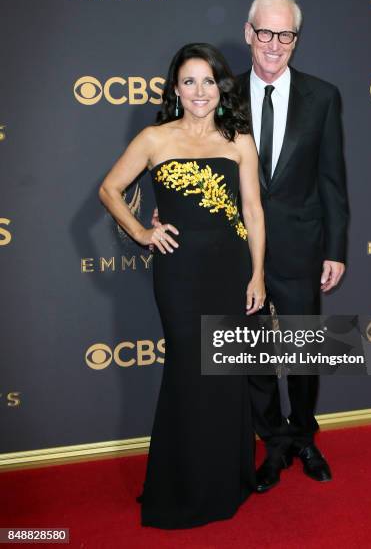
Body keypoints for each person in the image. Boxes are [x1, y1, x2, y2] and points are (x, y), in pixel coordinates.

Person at [98, 43, 266, 528]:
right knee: (189, 374)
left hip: (231, 271)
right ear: (175, 88)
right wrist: (143, 232)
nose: (199, 91)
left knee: (226, 374)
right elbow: (110, 190)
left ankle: (227, 478)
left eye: (208, 81)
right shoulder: (154, 139)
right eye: (189, 81)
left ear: (221, 88)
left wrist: (256, 273)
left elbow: (253, 211)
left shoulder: (239, 140)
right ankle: (183, 486)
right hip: (180, 274)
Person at [236, 0, 349, 492]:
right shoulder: (221, 96)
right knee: (255, 356)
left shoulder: (322, 96)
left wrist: (336, 249)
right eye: (266, 33)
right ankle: (273, 444)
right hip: (241, 253)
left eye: (286, 35)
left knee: (305, 353)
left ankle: (304, 437)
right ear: (249, 34)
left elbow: (332, 179)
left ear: (296, 39)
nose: (275, 44)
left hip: (303, 248)